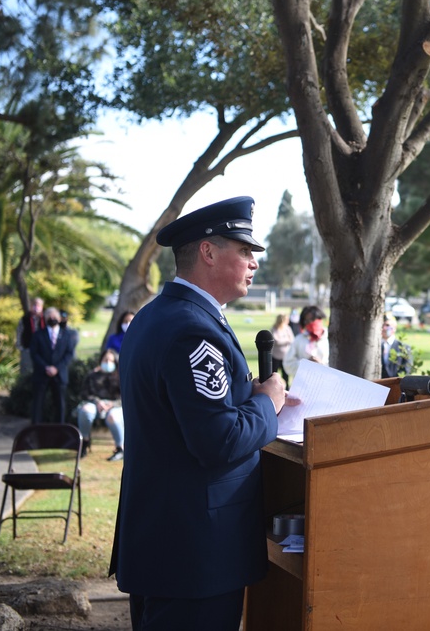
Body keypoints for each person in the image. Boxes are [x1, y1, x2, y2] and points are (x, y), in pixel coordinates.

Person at [110, 196, 294, 631]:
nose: (254, 263)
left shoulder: (159, 315)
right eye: (245, 251)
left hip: (167, 540)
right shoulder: (193, 329)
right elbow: (219, 440)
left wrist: (247, 396)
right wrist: (267, 401)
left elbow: (183, 408)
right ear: (208, 252)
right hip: (194, 555)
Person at [29, 306, 77, 424]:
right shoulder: (38, 335)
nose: (52, 318)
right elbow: (34, 353)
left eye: (54, 316)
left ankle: (60, 429)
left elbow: (69, 354)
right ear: (45, 319)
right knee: (38, 403)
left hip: (60, 374)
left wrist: (56, 368)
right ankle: (36, 429)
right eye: (49, 316)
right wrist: (46, 367)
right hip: (42, 374)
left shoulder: (67, 335)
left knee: (60, 404)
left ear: (60, 319)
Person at [75, 348, 124, 461]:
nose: (107, 363)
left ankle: (120, 448)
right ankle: (85, 442)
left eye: (110, 361)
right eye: (105, 360)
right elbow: (85, 394)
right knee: (86, 411)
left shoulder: (120, 376)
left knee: (113, 417)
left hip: (115, 406)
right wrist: (97, 402)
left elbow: (124, 396)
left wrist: (112, 404)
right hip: (96, 404)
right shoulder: (93, 376)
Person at [283, 304, 329, 378]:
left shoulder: (329, 339)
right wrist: (305, 364)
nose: (310, 323)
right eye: (307, 321)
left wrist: (321, 365)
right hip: (303, 384)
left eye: (313, 319)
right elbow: (288, 364)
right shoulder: (299, 339)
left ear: (319, 319)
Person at [15, 296, 44, 375]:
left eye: (38, 305)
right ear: (31, 306)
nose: (36, 307)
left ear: (42, 307)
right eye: (34, 304)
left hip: (42, 350)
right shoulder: (25, 318)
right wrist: (20, 346)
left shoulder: (45, 319)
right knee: (26, 372)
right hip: (27, 349)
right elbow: (19, 332)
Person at [270, 313, 295, 387]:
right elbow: (276, 341)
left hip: (285, 356)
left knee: (286, 375)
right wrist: (286, 340)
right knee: (274, 375)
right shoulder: (274, 328)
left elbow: (292, 339)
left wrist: (284, 340)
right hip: (275, 356)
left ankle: (286, 388)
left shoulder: (287, 328)